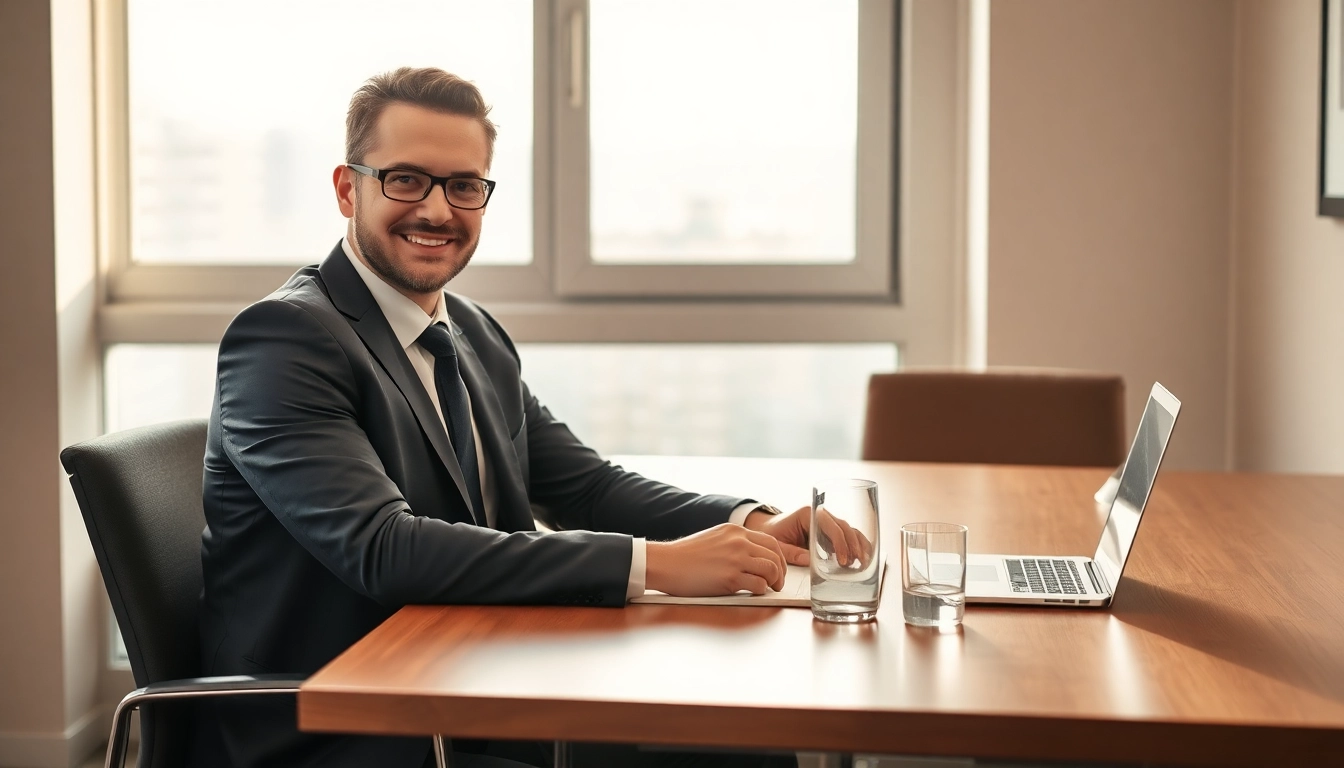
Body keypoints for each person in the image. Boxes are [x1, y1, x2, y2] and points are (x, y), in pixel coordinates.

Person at [194, 67, 818, 768]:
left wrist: (749, 524)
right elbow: (382, 548)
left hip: (475, 683)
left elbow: (585, 487)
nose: (437, 211)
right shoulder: (284, 340)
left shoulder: (471, 332)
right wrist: (660, 566)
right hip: (343, 727)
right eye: (405, 179)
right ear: (348, 188)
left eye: (463, 186)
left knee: (751, 749)